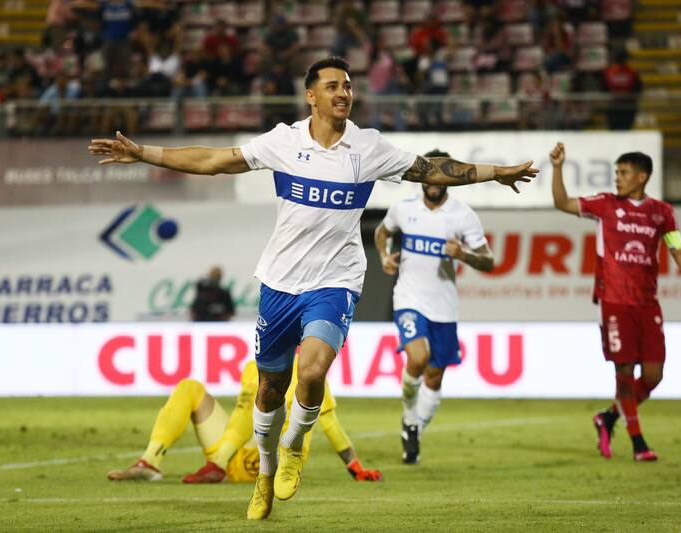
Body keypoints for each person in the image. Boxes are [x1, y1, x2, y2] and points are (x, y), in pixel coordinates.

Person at [88, 56, 539, 520]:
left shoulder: (369, 148)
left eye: (348, 86)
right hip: (280, 282)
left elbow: (433, 169)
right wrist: (145, 153)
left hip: (335, 281)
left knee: (312, 370)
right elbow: (216, 160)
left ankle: (295, 446)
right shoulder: (284, 141)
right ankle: (265, 470)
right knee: (268, 390)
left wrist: (495, 172)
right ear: (311, 96)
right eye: (332, 86)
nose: (343, 93)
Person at [549, 143, 681, 462]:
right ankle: (638, 442)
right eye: (616, 173)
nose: (618, 179)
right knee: (624, 372)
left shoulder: (662, 212)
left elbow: (677, 249)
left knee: (653, 376)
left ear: (643, 177)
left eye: (623, 173)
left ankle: (608, 416)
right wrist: (558, 168)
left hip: (647, 303)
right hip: (613, 300)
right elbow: (561, 202)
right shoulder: (605, 205)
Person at [374, 149, 494, 465]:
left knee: (435, 377)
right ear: (421, 176)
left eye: (441, 174)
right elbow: (381, 232)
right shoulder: (403, 209)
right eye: (429, 173)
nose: (434, 180)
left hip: (444, 306)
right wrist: (384, 256)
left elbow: (489, 261)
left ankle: (412, 428)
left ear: (450, 178)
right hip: (409, 299)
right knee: (418, 357)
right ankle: (409, 415)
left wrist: (465, 255)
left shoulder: (463, 215)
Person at [107, 360, 382, 484]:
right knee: (190, 387)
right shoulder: (254, 366)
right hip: (233, 457)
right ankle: (150, 463)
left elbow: (329, 422)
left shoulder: (309, 374)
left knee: (261, 396)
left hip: (274, 462)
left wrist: (354, 465)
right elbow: (242, 415)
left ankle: (217, 465)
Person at [602, 49, 642, 131]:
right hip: (627, 106)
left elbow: (603, 89)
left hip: (614, 106)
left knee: (614, 131)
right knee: (625, 131)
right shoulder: (632, 72)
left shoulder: (608, 72)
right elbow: (639, 88)